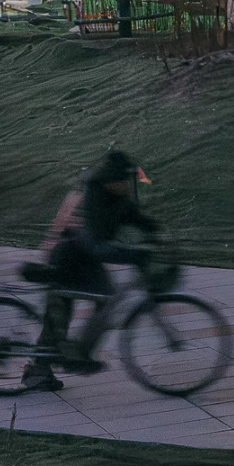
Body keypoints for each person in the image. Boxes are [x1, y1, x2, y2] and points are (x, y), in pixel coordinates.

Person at [19, 149, 158, 391]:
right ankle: (41, 368)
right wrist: (133, 255)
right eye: (124, 181)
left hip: (84, 256)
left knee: (104, 300)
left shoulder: (115, 194)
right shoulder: (92, 195)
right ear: (112, 180)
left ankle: (77, 354)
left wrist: (158, 238)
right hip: (65, 255)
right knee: (60, 313)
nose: (128, 185)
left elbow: (137, 220)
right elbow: (94, 243)